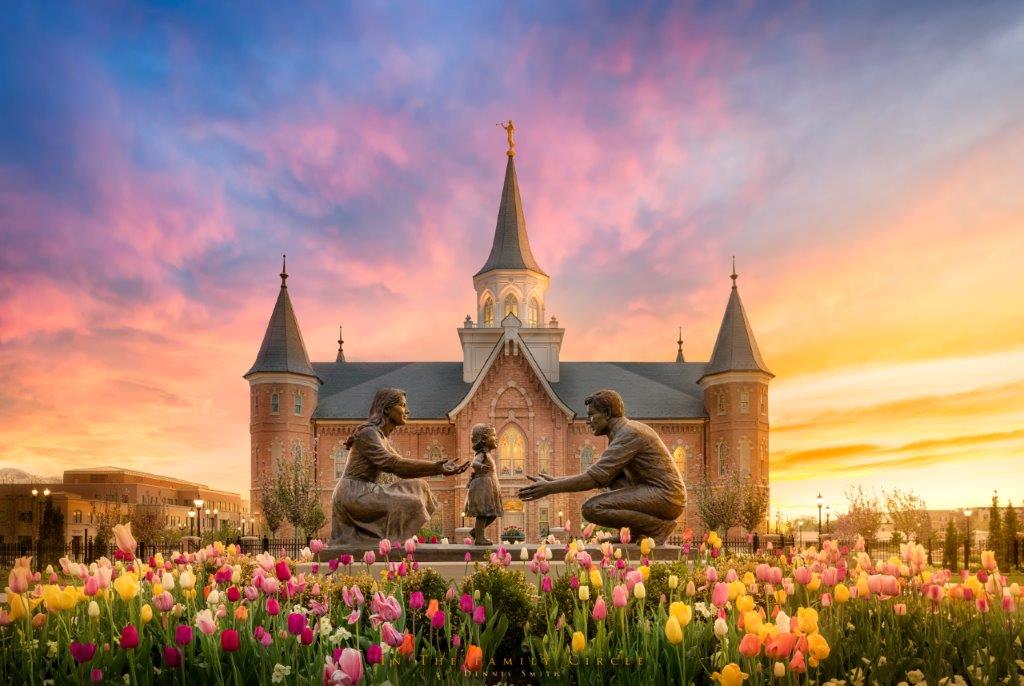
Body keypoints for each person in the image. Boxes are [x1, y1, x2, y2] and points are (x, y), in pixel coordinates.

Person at [518, 389, 685, 544]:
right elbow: (603, 476)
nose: (588, 422)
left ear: (607, 413)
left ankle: (657, 528)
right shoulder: (622, 432)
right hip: (659, 493)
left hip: (667, 497)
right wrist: (554, 481)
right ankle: (636, 533)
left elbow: (594, 477)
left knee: (591, 509)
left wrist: (551, 487)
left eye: (592, 415)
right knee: (614, 479)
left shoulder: (629, 434)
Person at [330, 388, 468, 545]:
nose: (407, 411)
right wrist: (437, 467)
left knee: (419, 486)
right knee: (412, 503)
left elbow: (402, 467)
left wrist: (438, 469)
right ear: (387, 409)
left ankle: (396, 540)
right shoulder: (368, 434)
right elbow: (394, 465)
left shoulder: (380, 437)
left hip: (367, 489)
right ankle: (393, 544)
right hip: (353, 494)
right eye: (403, 405)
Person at [465, 424, 503, 545]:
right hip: (483, 487)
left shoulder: (488, 455)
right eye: (493, 435)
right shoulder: (482, 454)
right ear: (484, 439)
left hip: (489, 487)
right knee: (483, 513)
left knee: (493, 514)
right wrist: (480, 466)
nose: (496, 438)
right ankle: (479, 538)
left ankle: (476, 532)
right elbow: (474, 463)